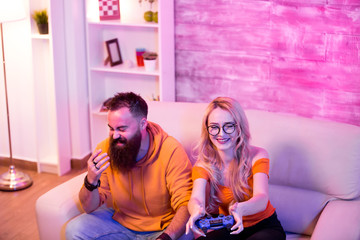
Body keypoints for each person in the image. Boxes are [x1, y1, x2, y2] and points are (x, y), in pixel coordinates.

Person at [66, 92, 193, 240]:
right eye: (111, 128)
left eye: (121, 129)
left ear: (143, 124)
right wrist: (91, 181)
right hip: (120, 222)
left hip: (162, 228)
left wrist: (165, 237)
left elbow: (185, 205)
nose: (114, 136)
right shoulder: (106, 149)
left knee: (185, 235)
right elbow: (89, 207)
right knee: (74, 229)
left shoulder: (171, 150)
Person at [185, 97, 285, 240]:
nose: (221, 134)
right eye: (214, 127)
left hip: (265, 226)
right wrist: (195, 210)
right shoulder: (203, 165)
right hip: (231, 228)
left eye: (229, 126)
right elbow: (196, 198)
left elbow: (261, 198)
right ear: (207, 130)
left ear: (239, 127)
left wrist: (240, 209)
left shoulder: (258, 155)